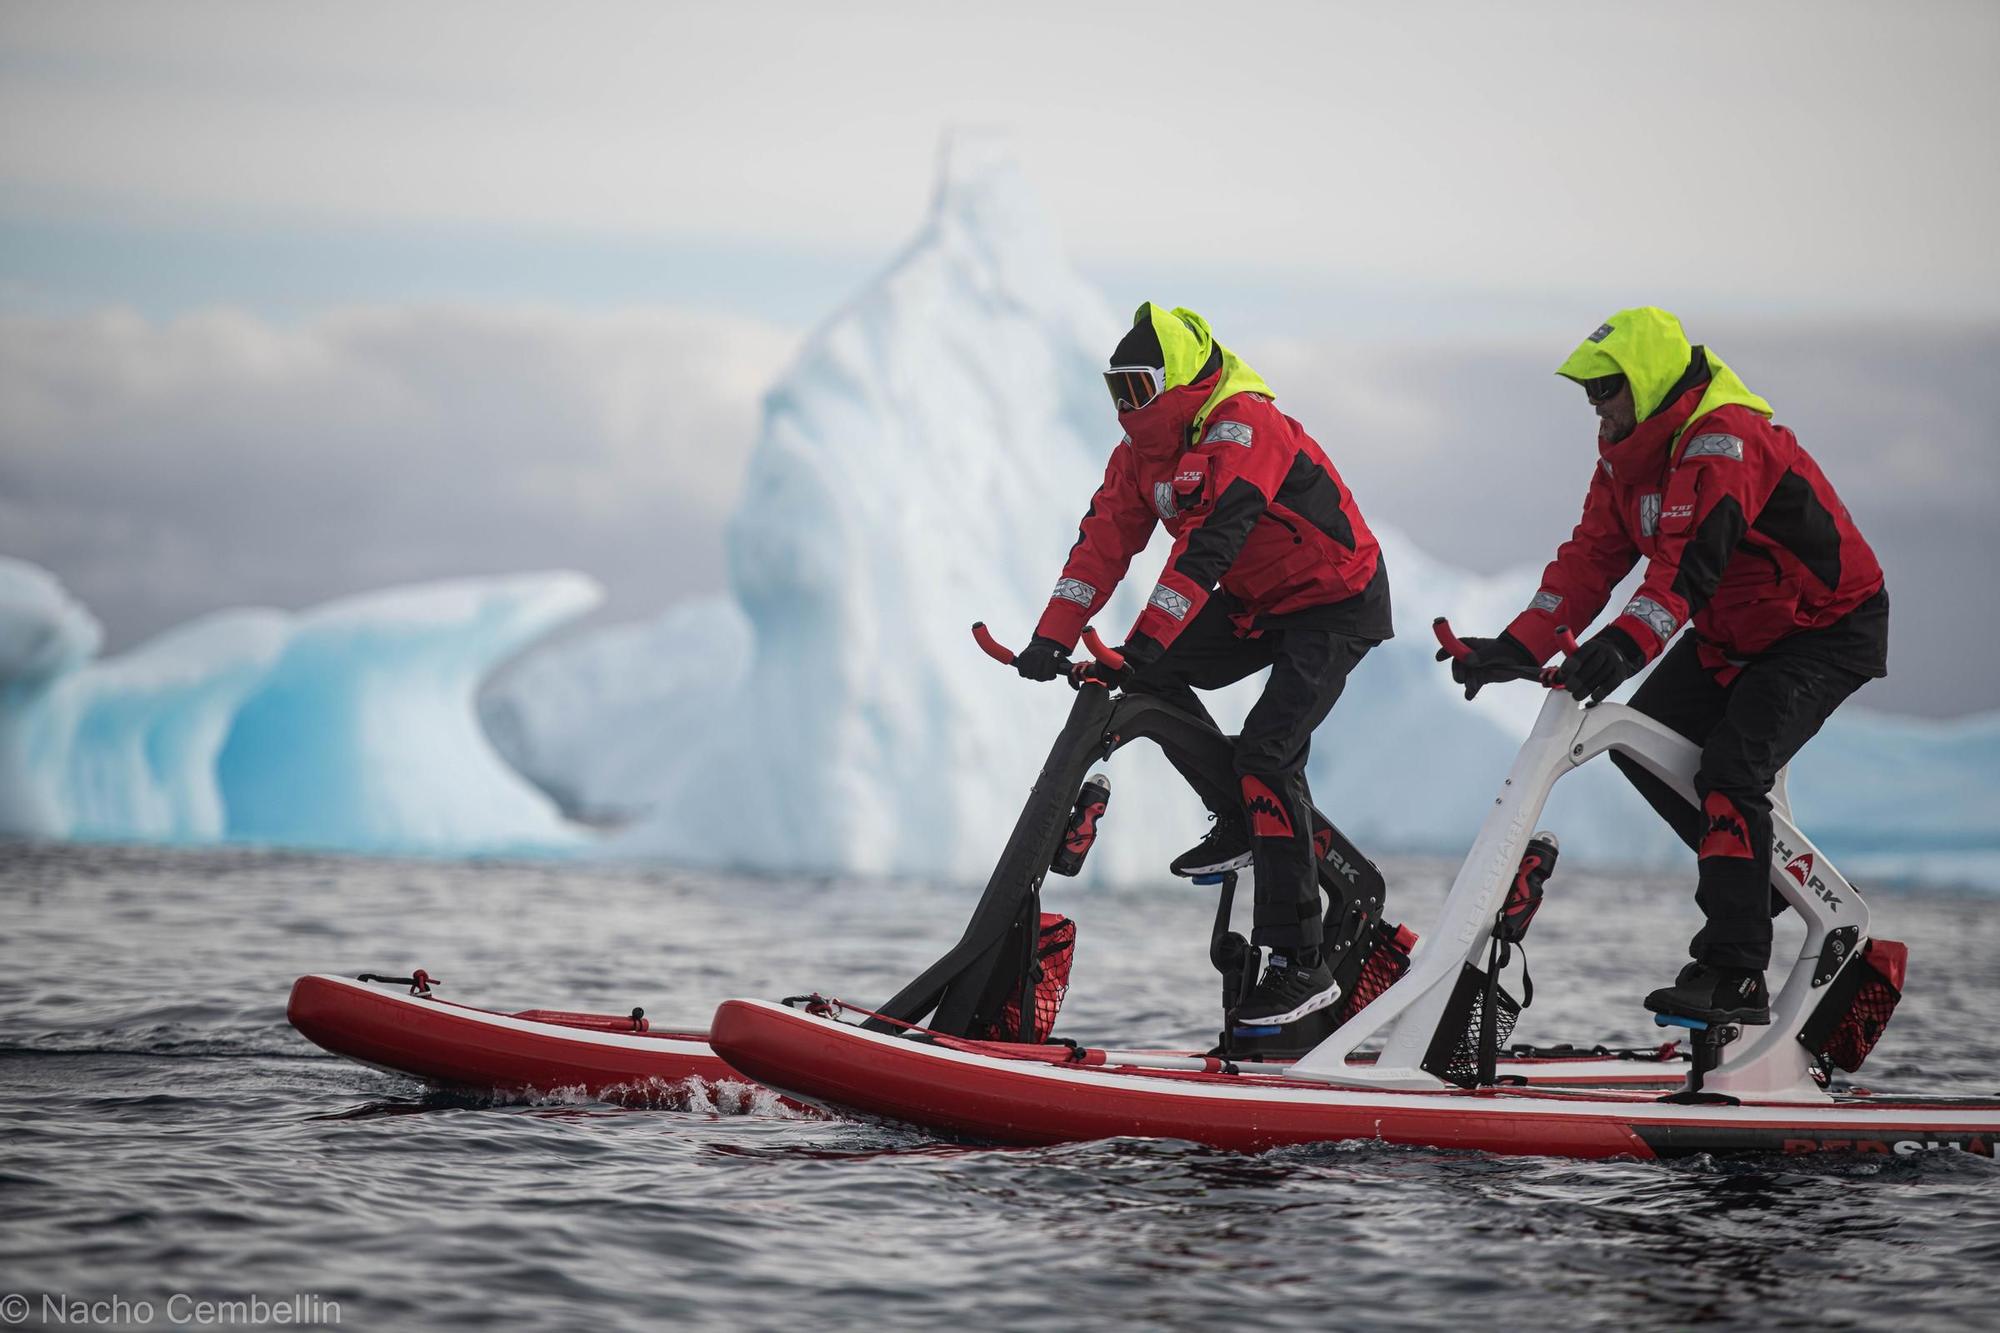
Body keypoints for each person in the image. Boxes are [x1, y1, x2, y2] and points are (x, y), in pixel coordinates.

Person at [1443, 307, 1888, 1024]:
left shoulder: (1725, 440)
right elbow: (1589, 559)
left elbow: (1687, 570)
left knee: (1731, 770)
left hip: (1821, 627)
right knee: (1643, 746)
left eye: (1608, 387)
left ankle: (1735, 972)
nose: (1596, 404)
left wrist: (1621, 647)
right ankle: (1758, 879)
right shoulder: (1626, 460)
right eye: (1588, 390)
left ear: (1648, 383)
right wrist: (1515, 647)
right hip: (1734, 630)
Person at [1015, 302, 1392, 1027]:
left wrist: (1149, 635)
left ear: (1176, 381)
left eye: (1138, 388)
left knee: (1268, 753)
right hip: (1262, 602)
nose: (1126, 406)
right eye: (1115, 389)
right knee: (1145, 675)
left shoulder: (1245, 426)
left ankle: (1300, 960)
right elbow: (1102, 544)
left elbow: (1209, 546)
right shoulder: (1140, 458)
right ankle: (1241, 816)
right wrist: (1051, 636)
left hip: (1334, 601)